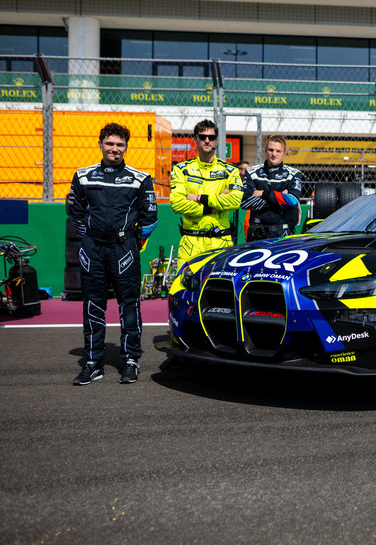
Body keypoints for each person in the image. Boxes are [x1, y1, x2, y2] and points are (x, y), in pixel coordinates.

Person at [68, 123, 158, 386]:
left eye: (120, 144)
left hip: (123, 248)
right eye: (110, 143)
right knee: (93, 304)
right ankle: (93, 362)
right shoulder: (82, 176)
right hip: (92, 248)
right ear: (100, 144)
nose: (114, 149)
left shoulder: (140, 178)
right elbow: (75, 213)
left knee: (129, 304)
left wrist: (131, 243)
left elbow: (150, 218)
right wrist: (91, 238)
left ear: (126, 147)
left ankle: (130, 360)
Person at [170, 120, 244, 268]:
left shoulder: (230, 170)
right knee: (185, 283)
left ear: (217, 140)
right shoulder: (182, 169)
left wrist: (197, 198)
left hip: (221, 242)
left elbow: (235, 201)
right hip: (191, 243)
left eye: (211, 137)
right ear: (195, 139)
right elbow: (177, 204)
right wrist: (212, 207)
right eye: (203, 137)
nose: (207, 140)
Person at [240, 136, 303, 241]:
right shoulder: (252, 172)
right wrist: (280, 197)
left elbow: (293, 201)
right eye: (271, 150)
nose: (274, 154)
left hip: (283, 233)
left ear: (284, 153)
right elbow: (245, 202)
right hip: (257, 233)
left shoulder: (293, 174)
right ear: (265, 150)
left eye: (278, 151)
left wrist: (263, 193)